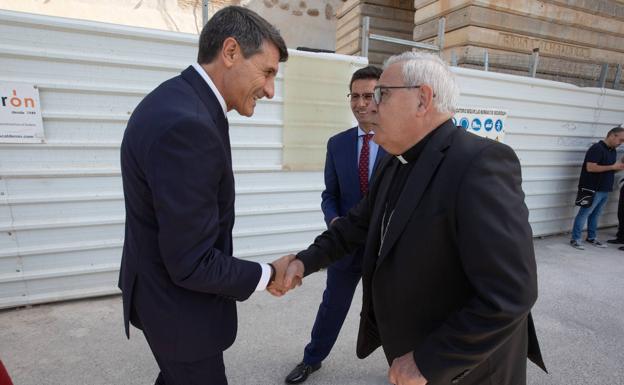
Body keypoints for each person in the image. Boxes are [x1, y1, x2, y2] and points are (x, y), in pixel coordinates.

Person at [282, 52, 547, 385]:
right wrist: (304, 262)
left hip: (466, 369)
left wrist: (429, 360)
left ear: (423, 99)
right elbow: (357, 224)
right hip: (411, 354)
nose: (370, 106)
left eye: (382, 94)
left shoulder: (480, 164)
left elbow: (511, 293)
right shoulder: (395, 159)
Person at [118, 7, 292, 385]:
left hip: (160, 297)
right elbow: (192, 263)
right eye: (267, 72)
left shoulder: (179, 99)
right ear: (230, 52)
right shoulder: (189, 125)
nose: (270, 90)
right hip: (180, 313)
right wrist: (268, 274)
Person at [285, 66, 387, 384]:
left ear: (382, 98)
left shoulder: (398, 144)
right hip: (345, 244)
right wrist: (334, 220)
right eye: (354, 96)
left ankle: (403, 365)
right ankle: (311, 359)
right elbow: (330, 195)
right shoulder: (338, 144)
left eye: (368, 96)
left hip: (384, 247)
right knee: (333, 305)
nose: (360, 103)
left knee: (391, 309)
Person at [570, 127, 624, 250]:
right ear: (612, 135)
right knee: (584, 213)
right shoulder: (596, 149)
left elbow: (609, 169)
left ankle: (591, 237)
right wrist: (612, 167)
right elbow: (591, 168)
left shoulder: (612, 150)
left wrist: (618, 168)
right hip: (592, 188)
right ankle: (575, 239)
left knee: (596, 214)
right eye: (620, 140)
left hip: (605, 189)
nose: (621, 143)